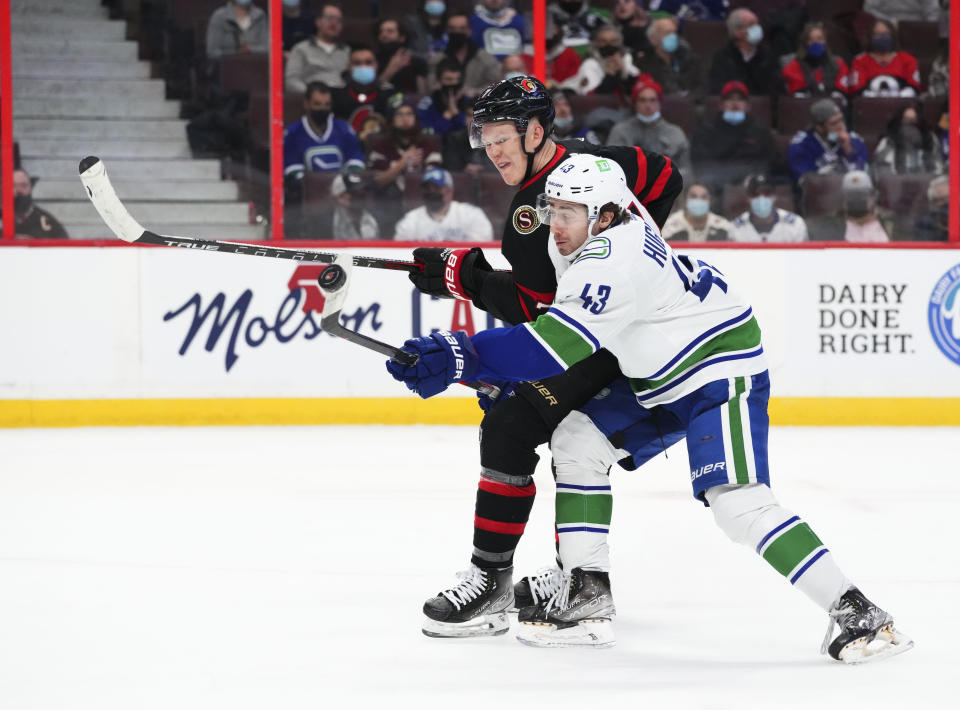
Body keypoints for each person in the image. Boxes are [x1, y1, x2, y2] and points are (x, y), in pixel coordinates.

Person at [386, 152, 913, 664]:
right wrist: (481, 349)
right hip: (654, 375)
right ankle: (587, 595)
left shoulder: (615, 256)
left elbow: (555, 345)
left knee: (738, 504)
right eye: (553, 209)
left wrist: (463, 356)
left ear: (607, 215)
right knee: (576, 441)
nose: (557, 223)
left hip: (716, 371)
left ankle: (860, 615)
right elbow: (563, 321)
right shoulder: (591, 237)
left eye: (570, 212)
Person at [401, 75, 682, 640]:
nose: (491, 150)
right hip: (599, 333)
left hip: (613, 341)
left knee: (512, 425)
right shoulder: (581, 177)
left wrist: (469, 280)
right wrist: (467, 277)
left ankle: (499, 581)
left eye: (501, 136)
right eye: (484, 137)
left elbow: (541, 317)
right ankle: (557, 577)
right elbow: (663, 174)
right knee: (515, 426)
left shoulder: (556, 200)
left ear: (535, 131)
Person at [367, 99, 443, 235]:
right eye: (400, 115)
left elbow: (434, 180)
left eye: (409, 114)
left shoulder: (429, 145)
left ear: (415, 118)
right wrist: (403, 163)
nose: (405, 119)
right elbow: (377, 181)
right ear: (392, 119)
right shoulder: (381, 145)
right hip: (388, 208)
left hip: (422, 205)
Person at [691, 80, 777, 189]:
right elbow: (701, 164)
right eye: (729, 99)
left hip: (752, 184)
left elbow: (769, 161)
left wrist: (753, 177)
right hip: (716, 185)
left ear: (748, 106)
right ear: (721, 105)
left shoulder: (760, 131)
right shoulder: (705, 131)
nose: (735, 104)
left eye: (740, 99)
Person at [607, 75, 692, 175]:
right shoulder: (620, 131)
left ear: (659, 103)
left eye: (652, 100)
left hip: (668, 187)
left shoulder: (675, 133)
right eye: (642, 100)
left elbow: (687, 172)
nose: (648, 106)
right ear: (635, 104)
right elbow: (611, 169)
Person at [283, 82, 365, 175]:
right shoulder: (293, 133)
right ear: (306, 104)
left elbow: (355, 158)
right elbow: (292, 167)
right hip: (308, 188)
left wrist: (349, 178)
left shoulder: (344, 129)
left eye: (327, 104)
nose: (323, 108)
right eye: (317, 104)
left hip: (342, 187)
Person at [394, 168, 493, 241]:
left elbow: (484, 248)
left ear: (450, 191)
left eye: (436, 188)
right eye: (427, 189)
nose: (431, 192)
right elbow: (400, 252)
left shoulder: (471, 215)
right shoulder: (410, 220)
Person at [787, 99, 869, 183]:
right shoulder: (801, 145)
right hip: (818, 192)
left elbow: (862, 175)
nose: (841, 126)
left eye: (841, 120)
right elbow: (804, 180)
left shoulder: (853, 139)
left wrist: (848, 150)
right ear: (819, 128)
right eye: (834, 123)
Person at [707, 8, 780, 96]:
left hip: (761, 107)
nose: (757, 29)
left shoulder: (768, 57)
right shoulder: (722, 58)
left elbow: (777, 91)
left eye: (758, 24)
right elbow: (716, 90)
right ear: (737, 31)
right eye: (752, 25)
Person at [332, 45, 403, 134]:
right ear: (349, 67)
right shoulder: (336, 94)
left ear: (376, 65)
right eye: (357, 63)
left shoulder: (391, 93)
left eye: (368, 62)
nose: (363, 67)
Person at [427, 13, 502, 95]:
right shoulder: (436, 60)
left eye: (462, 28)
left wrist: (474, 92)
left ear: (469, 31)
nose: (457, 32)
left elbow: (496, 86)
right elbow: (431, 87)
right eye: (453, 28)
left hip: (477, 103)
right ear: (447, 31)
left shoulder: (486, 59)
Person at [284, 2, 350, 92]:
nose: (334, 23)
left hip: (341, 100)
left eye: (339, 20)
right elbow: (291, 81)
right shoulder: (301, 49)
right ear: (318, 22)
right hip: (313, 101)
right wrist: (311, 94)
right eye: (329, 18)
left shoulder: (347, 51)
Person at [635, 14, 703, 97]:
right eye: (667, 33)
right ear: (652, 39)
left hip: (689, 106)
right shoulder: (644, 64)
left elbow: (701, 87)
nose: (673, 36)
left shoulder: (690, 59)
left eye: (674, 32)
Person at [849, 19, 921, 97]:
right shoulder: (860, 60)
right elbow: (857, 89)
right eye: (877, 34)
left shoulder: (907, 59)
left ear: (893, 36)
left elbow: (914, 86)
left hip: (902, 103)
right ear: (870, 37)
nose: (882, 37)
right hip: (869, 104)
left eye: (886, 34)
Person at [561, 25, 640, 95]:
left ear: (620, 43)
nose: (609, 45)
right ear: (596, 43)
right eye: (603, 41)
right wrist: (611, 74)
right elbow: (595, 97)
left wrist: (623, 71)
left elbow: (638, 89)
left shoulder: (627, 59)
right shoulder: (590, 64)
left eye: (613, 41)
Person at [781, 22, 851, 99]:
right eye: (811, 40)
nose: (816, 43)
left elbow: (841, 92)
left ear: (825, 41)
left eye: (819, 39)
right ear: (805, 43)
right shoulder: (793, 67)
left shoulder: (839, 64)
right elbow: (798, 94)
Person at [730, 173, 808, 242]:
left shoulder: (795, 224)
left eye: (767, 194)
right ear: (748, 198)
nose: (761, 199)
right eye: (755, 194)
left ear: (775, 197)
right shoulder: (736, 228)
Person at [873, 103, 945, 175]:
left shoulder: (931, 139)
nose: (910, 122)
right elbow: (881, 167)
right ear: (900, 121)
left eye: (914, 119)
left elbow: (938, 166)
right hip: (895, 183)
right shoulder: (888, 141)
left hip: (928, 183)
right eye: (906, 119)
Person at [315, 170, 379, 239]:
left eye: (362, 191)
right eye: (355, 192)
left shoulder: (376, 217)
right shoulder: (325, 224)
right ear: (340, 197)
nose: (360, 195)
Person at [661, 182, 732, 242]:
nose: (699, 201)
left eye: (704, 197)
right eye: (693, 196)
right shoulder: (669, 227)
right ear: (685, 201)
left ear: (710, 201)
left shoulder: (723, 226)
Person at [10, 169, 68, 239]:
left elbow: (64, 245)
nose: (19, 190)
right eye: (13, 185)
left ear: (30, 187)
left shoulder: (47, 221)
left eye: (24, 185)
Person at [375, 18, 428, 95]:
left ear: (402, 38)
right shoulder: (372, 59)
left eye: (390, 31)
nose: (384, 35)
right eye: (381, 32)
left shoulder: (416, 61)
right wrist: (390, 69)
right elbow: (373, 90)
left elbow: (422, 94)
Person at [205, 0, 268, 65]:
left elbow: (267, 48)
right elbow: (212, 52)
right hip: (228, 69)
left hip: (255, 68)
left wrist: (251, 50)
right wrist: (236, 55)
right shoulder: (219, 17)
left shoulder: (260, 15)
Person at [416, 60, 467, 137]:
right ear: (439, 81)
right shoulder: (426, 104)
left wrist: (456, 113)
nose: (454, 83)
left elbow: (472, 133)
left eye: (458, 79)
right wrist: (448, 114)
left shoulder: (469, 102)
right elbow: (426, 133)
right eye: (449, 79)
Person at [837, 171, 890, 243]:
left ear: (873, 197)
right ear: (843, 199)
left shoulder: (892, 225)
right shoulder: (830, 228)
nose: (856, 199)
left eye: (861, 195)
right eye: (851, 195)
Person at [912, 175, 949, 241]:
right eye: (941, 199)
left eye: (949, 198)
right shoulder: (923, 223)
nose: (946, 204)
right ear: (933, 202)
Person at [863, 0, 941, 23]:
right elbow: (869, 9)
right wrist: (889, 22)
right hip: (884, 26)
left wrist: (927, 30)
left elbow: (933, 13)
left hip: (916, 27)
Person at [648, 0, 728, 21]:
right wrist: (671, 19)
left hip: (708, 37)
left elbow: (722, 18)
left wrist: (700, 21)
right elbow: (654, 14)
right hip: (676, 39)